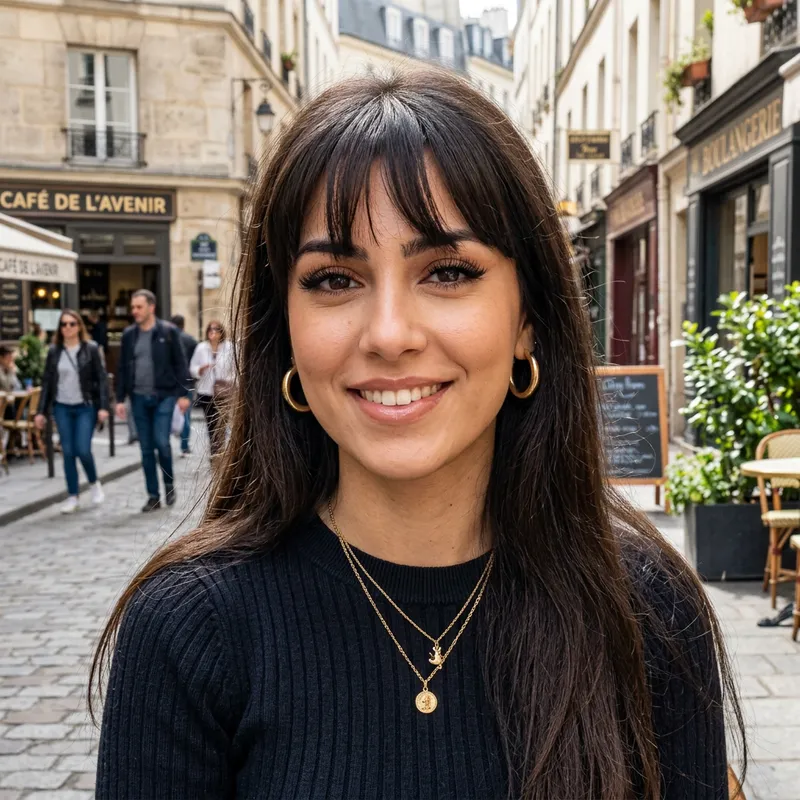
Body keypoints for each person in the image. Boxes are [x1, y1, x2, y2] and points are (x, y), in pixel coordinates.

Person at [93, 70, 745, 798]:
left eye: (447, 271)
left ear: (528, 319)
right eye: (334, 279)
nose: (390, 335)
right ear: (285, 331)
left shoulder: (646, 611)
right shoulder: (189, 633)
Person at [114, 290, 190, 512]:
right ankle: (153, 496)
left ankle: (168, 484)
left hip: (163, 396)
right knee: (146, 449)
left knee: (162, 443)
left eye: (138, 307)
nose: (134, 311)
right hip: (138, 398)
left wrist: (184, 394)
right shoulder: (129, 335)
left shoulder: (168, 332)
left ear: (151, 307)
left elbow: (180, 363)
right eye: (133, 307)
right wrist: (120, 399)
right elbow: (123, 367)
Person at [35, 310, 109, 513]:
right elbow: (47, 382)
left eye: (72, 324)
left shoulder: (91, 349)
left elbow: (101, 380)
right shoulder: (54, 351)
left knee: (83, 449)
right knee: (68, 452)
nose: (67, 327)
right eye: (64, 324)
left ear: (79, 326)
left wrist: (103, 407)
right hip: (62, 407)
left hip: (85, 406)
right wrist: (41, 412)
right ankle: (73, 496)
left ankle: (94, 484)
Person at [189, 319, 233, 458]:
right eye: (210, 330)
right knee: (211, 425)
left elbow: (236, 370)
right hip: (206, 392)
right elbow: (192, 368)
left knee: (222, 424)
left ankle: (220, 452)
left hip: (224, 392)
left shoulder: (230, 348)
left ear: (221, 333)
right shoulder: (201, 348)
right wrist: (200, 370)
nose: (212, 333)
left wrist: (229, 381)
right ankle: (216, 454)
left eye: (216, 330)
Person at [169, 314, 198, 456]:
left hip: (170, 383)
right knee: (185, 413)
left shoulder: (167, 340)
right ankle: (184, 446)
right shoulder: (191, 341)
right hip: (187, 382)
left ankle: (166, 444)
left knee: (167, 412)